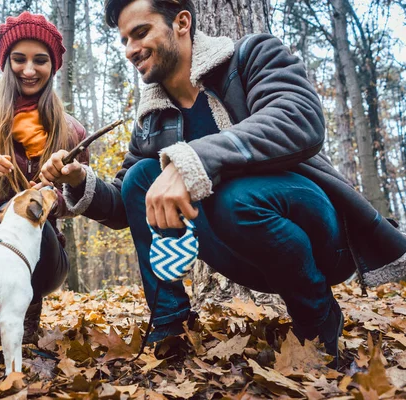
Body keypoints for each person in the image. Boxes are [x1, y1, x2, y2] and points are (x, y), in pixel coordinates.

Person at [38, 0, 406, 368]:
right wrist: (80, 180)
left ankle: (318, 319)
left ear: (182, 22)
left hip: (320, 237)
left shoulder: (251, 56)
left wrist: (190, 160)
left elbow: (298, 119)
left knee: (235, 197)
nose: (131, 49)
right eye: (124, 40)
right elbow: (128, 203)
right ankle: (169, 326)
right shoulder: (152, 118)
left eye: (141, 32)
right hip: (242, 254)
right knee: (140, 176)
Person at [0, 11, 89, 344]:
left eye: (40, 60)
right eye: (19, 59)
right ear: (5, 63)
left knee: (33, 232)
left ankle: (27, 314)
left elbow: (78, 202)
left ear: (52, 66)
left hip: (44, 247)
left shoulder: (72, 131)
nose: (29, 69)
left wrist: (52, 196)